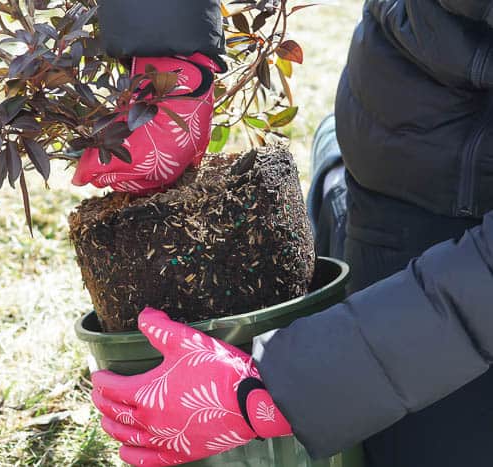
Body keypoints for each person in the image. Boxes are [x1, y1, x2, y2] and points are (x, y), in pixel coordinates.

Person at [81, 1, 493, 466]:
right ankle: (337, 176)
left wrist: (281, 390)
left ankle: (330, 170)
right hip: (422, 123)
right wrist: (169, 54)